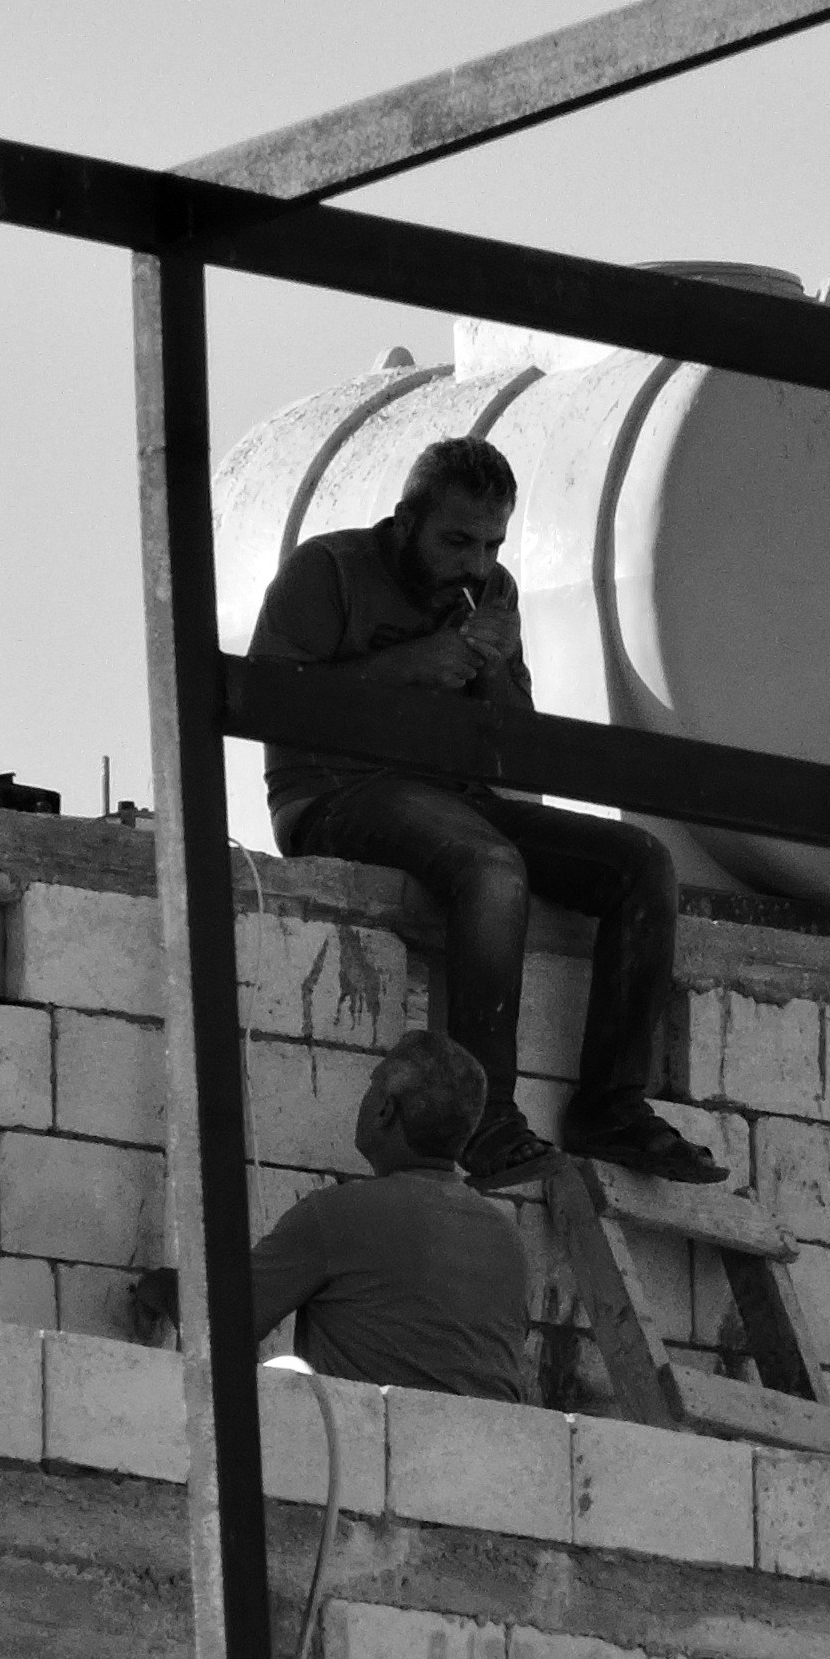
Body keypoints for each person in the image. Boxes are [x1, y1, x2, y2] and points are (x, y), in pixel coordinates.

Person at [248, 432, 724, 1187]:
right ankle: (487, 1120)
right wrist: (409, 668)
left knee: (640, 863)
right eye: (457, 540)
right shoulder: (327, 571)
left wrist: (496, 673)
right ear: (406, 520)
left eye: (491, 544)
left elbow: (514, 747)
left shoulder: (491, 592)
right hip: (332, 794)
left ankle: (613, 1108)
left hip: (453, 798)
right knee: (492, 866)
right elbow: (266, 704)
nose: (474, 563)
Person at [168, 1030, 535, 1402]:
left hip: (375, 1451)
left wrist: (161, 1289)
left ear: (384, 1110)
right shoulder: (507, 1239)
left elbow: (220, 1323)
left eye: (371, 1087)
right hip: (494, 1452)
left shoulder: (335, 1216)